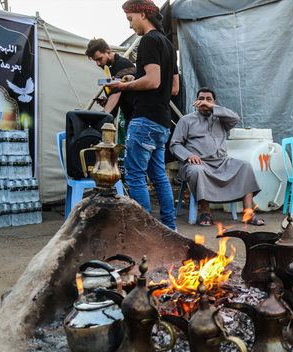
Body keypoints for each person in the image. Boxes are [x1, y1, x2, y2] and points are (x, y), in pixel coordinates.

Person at [105, 0, 179, 230]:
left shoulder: (148, 40)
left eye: (130, 19)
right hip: (162, 121)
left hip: (145, 119)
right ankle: (168, 229)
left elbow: (153, 80)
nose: (130, 26)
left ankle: (144, 232)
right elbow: (173, 87)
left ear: (143, 15)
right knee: (158, 176)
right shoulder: (167, 43)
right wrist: (133, 80)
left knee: (135, 175)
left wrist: (122, 87)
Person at [169, 87, 264, 226]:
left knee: (245, 166)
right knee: (197, 170)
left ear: (214, 102)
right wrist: (189, 155)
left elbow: (235, 117)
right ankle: (205, 212)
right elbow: (174, 144)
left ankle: (248, 213)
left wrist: (213, 108)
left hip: (222, 163)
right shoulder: (186, 120)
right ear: (196, 102)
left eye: (209, 99)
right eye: (201, 99)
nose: (204, 102)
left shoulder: (222, 119)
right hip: (199, 163)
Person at [85, 38, 135, 128]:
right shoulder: (111, 68)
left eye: (99, 59)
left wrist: (103, 116)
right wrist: (108, 102)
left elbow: (116, 92)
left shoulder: (122, 65)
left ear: (108, 52)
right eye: (95, 61)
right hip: (132, 118)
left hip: (138, 119)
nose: (98, 64)